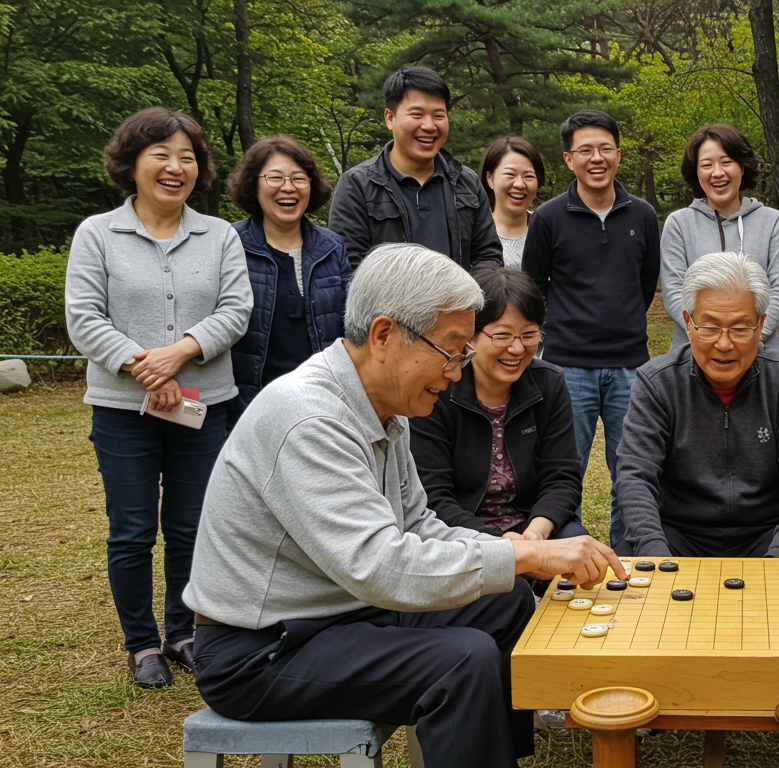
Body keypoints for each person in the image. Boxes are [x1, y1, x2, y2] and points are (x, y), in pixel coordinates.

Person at [184, 244, 624, 768]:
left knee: (503, 602)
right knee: (462, 660)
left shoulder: (384, 410)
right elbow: (379, 565)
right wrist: (529, 557)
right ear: (385, 335)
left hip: (339, 613)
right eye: (453, 349)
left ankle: (494, 753)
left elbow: (419, 522)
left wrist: (513, 551)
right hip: (261, 649)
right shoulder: (310, 419)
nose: (458, 372)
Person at [65, 107, 252, 688]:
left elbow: (236, 310)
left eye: (188, 156)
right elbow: (83, 317)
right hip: (124, 412)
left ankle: (184, 631)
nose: (176, 167)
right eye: (161, 155)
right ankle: (141, 644)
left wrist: (181, 353)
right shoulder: (97, 233)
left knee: (194, 527)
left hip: (206, 403)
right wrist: (146, 366)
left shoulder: (219, 234)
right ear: (132, 163)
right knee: (132, 528)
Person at [615, 252, 779, 558]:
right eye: (710, 326)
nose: (725, 344)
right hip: (677, 533)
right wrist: (655, 552)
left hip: (767, 533)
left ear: (761, 326)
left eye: (740, 328)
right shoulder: (657, 381)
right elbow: (635, 474)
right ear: (689, 323)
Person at [522, 109, 661, 548]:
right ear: (568, 159)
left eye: (605, 148)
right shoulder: (547, 218)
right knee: (565, 467)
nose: (596, 158)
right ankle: (566, 550)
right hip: (567, 365)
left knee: (632, 470)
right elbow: (533, 286)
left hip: (630, 365)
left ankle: (628, 551)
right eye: (585, 150)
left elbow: (645, 283)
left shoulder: (643, 214)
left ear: (618, 154)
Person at [410, 266, 589, 544]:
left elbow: (562, 477)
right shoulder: (438, 390)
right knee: (509, 586)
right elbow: (434, 496)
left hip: (532, 529)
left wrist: (536, 534)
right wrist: (503, 546)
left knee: (576, 544)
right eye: (502, 336)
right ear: (470, 336)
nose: (517, 349)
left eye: (529, 335)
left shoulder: (549, 383)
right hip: (461, 535)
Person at [226, 136, 350, 424]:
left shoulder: (331, 246)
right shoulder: (229, 244)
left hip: (320, 402)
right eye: (275, 177)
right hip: (248, 407)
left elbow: (348, 326)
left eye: (299, 178)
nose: (288, 187)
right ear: (252, 184)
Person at [328, 66, 502, 269]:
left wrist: (465, 300)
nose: (429, 126)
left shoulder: (466, 181)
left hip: (462, 301)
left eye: (438, 115)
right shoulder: (358, 184)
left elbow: (488, 256)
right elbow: (348, 266)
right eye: (417, 114)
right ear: (390, 118)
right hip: (388, 301)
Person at [660, 123, 779, 352]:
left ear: (742, 167)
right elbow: (673, 291)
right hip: (692, 356)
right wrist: (706, 340)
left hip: (759, 355)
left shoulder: (772, 221)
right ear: (696, 172)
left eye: (726, 162)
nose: (717, 172)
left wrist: (748, 340)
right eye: (707, 165)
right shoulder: (679, 224)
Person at [479, 136, 544, 268]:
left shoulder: (548, 232)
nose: (520, 184)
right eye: (510, 174)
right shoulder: (473, 234)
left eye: (529, 176)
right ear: (490, 179)